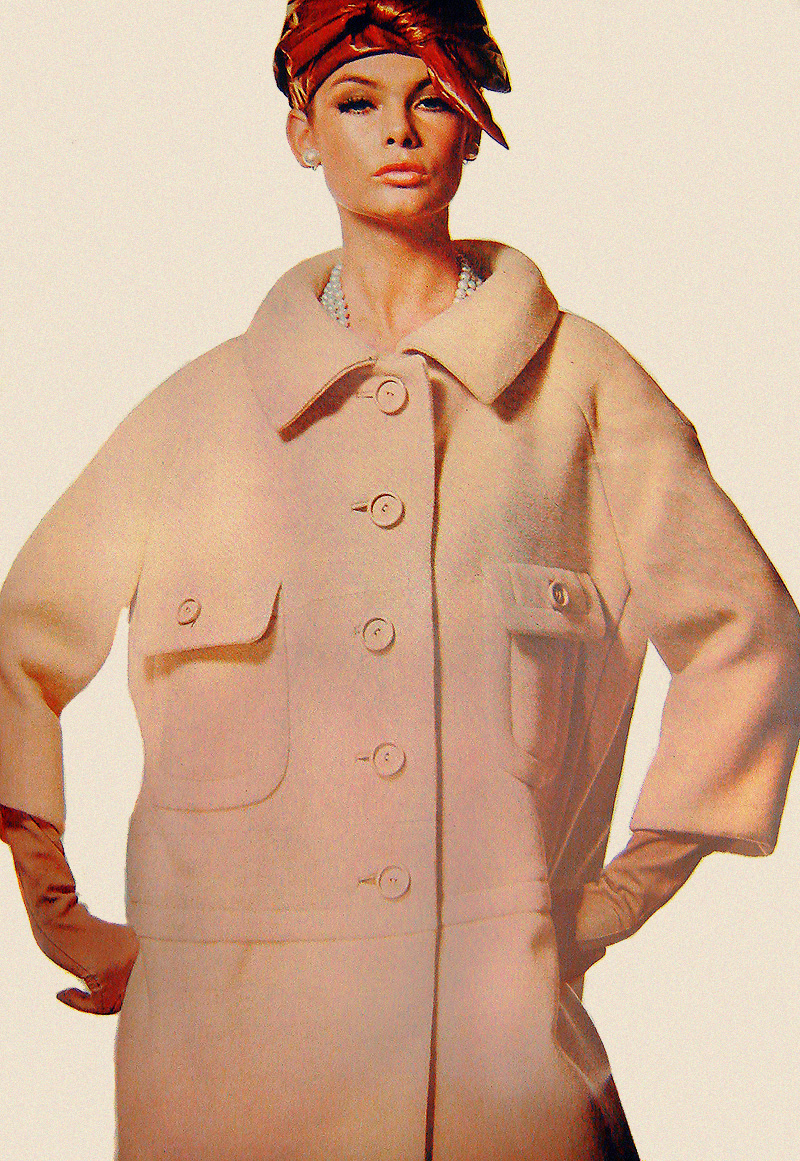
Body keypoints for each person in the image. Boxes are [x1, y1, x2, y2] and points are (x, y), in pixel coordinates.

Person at [1, 2, 798, 1158]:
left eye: (432, 98)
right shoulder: (195, 415)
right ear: (301, 133)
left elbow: (747, 634)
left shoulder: (579, 389)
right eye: (355, 101)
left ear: (472, 129)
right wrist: (57, 912)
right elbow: (19, 649)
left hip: (494, 1067)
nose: (399, 131)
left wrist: (619, 896)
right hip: (222, 1071)